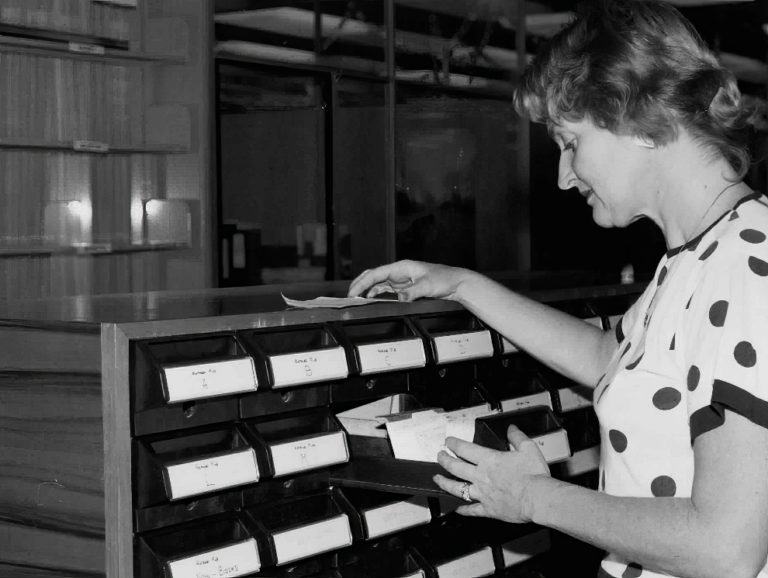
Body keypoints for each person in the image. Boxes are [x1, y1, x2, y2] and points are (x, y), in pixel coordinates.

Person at [347, 1, 768, 577]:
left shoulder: (746, 266)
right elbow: (611, 360)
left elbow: (725, 549)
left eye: (570, 142)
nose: (564, 176)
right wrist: (465, 285)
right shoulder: (700, 258)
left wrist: (531, 498)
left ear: (637, 120)